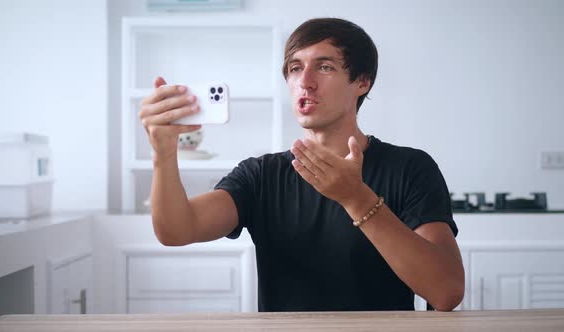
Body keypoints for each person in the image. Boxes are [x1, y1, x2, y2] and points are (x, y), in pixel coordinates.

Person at [139, 17, 464, 312]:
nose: (305, 82)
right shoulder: (261, 175)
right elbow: (176, 230)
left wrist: (356, 198)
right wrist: (163, 154)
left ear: (362, 81)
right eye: (295, 68)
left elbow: (446, 291)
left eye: (324, 67)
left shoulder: (410, 168)